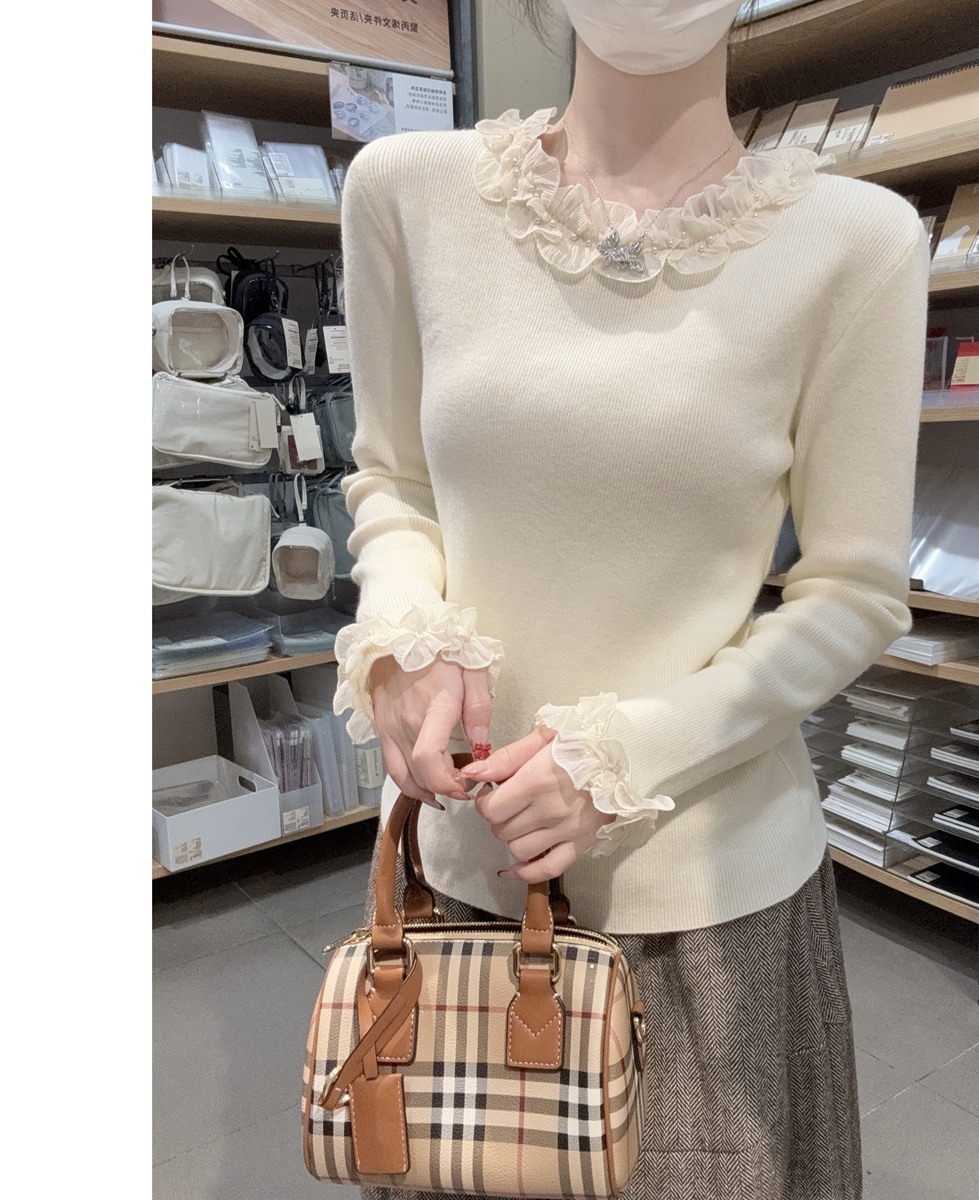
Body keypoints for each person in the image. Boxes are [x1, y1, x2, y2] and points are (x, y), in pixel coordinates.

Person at [332, 1, 929, 1195]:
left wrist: (622, 757)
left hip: (715, 909)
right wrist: (400, 636)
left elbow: (855, 589)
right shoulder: (406, 192)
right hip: (463, 883)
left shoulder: (858, 243)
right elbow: (395, 480)